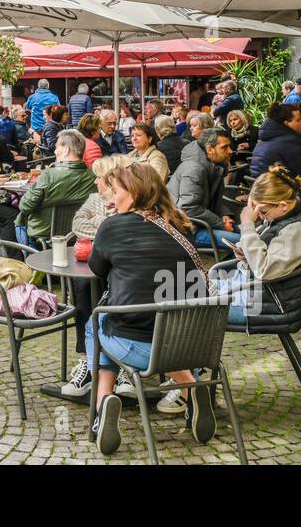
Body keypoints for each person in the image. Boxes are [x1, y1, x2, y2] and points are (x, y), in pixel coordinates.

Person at [88, 163, 215, 455]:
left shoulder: (112, 226)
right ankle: (191, 389)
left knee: (96, 322)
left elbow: (97, 268)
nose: (110, 197)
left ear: (132, 194)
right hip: (190, 341)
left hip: (139, 344)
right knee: (114, 320)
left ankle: (102, 404)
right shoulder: (182, 224)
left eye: (115, 191)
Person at [59, 154, 133, 396]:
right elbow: (77, 225)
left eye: (99, 178)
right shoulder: (94, 199)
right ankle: (87, 362)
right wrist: (108, 221)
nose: (95, 183)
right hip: (99, 261)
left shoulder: (135, 201)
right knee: (83, 287)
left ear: (113, 181)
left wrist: (103, 225)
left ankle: (121, 364)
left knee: (121, 288)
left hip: (123, 266)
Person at [210, 166, 301, 326]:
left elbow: (264, 271)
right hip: (253, 293)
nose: (259, 216)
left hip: (268, 306)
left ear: (282, 205)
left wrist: (248, 225)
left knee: (183, 305)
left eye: (262, 212)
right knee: (180, 290)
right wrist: (246, 251)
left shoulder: (298, 229)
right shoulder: (283, 217)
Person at [14, 128, 97, 250]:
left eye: (57, 147)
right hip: (78, 233)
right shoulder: (94, 177)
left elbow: (25, 206)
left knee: (18, 222)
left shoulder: (48, 175)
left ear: (66, 149)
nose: (55, 151)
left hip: (43, 235)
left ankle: (27, 261)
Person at [167, 127, 233, 243]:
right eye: (224, 147)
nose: (230, 151)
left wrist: (224, 215)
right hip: (184, 231)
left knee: (243, 237)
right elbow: (188, 207)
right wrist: (221, 223)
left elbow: (212, 200)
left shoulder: (215, 165)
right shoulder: (194, 169)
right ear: (209, 149)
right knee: (240, 241)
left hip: (199, 223)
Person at [249, 102, 301, 183]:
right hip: (277, 192)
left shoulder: (265, 138)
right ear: (287, 123)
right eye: (298, 120)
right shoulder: (292, 142)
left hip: (260, 188)